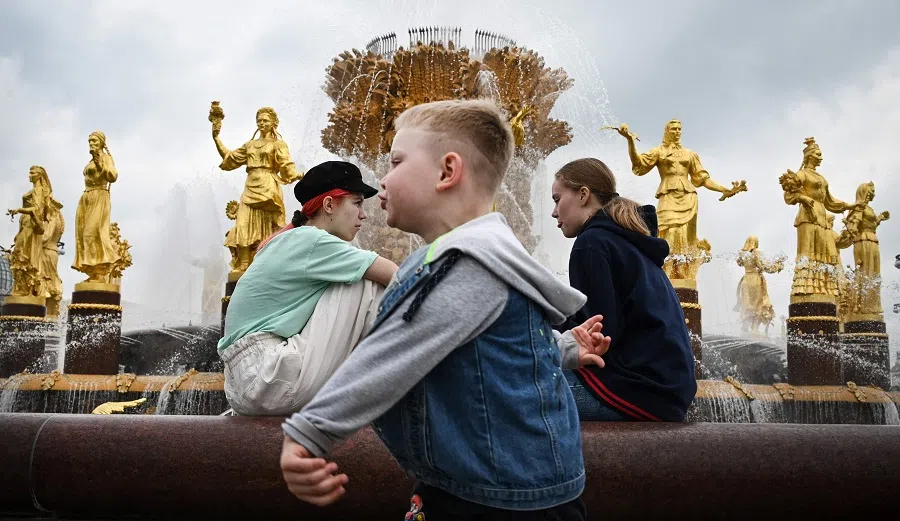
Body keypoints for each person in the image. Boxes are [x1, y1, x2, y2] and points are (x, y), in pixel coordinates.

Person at [279, 100, 611, 519]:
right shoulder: (491, 251)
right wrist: (562, 349)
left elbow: (390, 354)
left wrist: (308, 431)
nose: (383, 178)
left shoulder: (462, 264)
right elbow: (502, 343)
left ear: (447, 172)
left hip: (494, 501)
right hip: (518, 486)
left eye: (397, 162)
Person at [218, 160, 398, 416]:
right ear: (328, 205)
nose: (364, 214)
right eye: (356, 203)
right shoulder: (312, 239)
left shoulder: (288, 240)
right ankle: (398, 384)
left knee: (356, 271)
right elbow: (396, 276)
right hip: (270, 376)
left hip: (249, 382)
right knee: (366, 279)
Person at [550, 158, 697, 422]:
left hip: (632, 390)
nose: (554, 212)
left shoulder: (591, 243)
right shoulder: (627, 241)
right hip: (667, 393)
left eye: (557, 199)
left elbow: (597, 333)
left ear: (583, 194)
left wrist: (534, 330)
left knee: (509, 395)